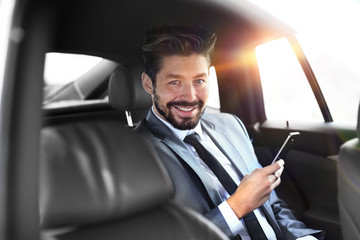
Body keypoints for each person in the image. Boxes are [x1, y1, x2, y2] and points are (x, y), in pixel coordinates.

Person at [135, 25, 324, 240]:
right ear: (148, 84)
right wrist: (237, 206)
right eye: (175, 82)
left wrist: (303, 238)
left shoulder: (231, 125)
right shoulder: (132, 152)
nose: (190, 96)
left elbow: (271, 205)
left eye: (199, 81)